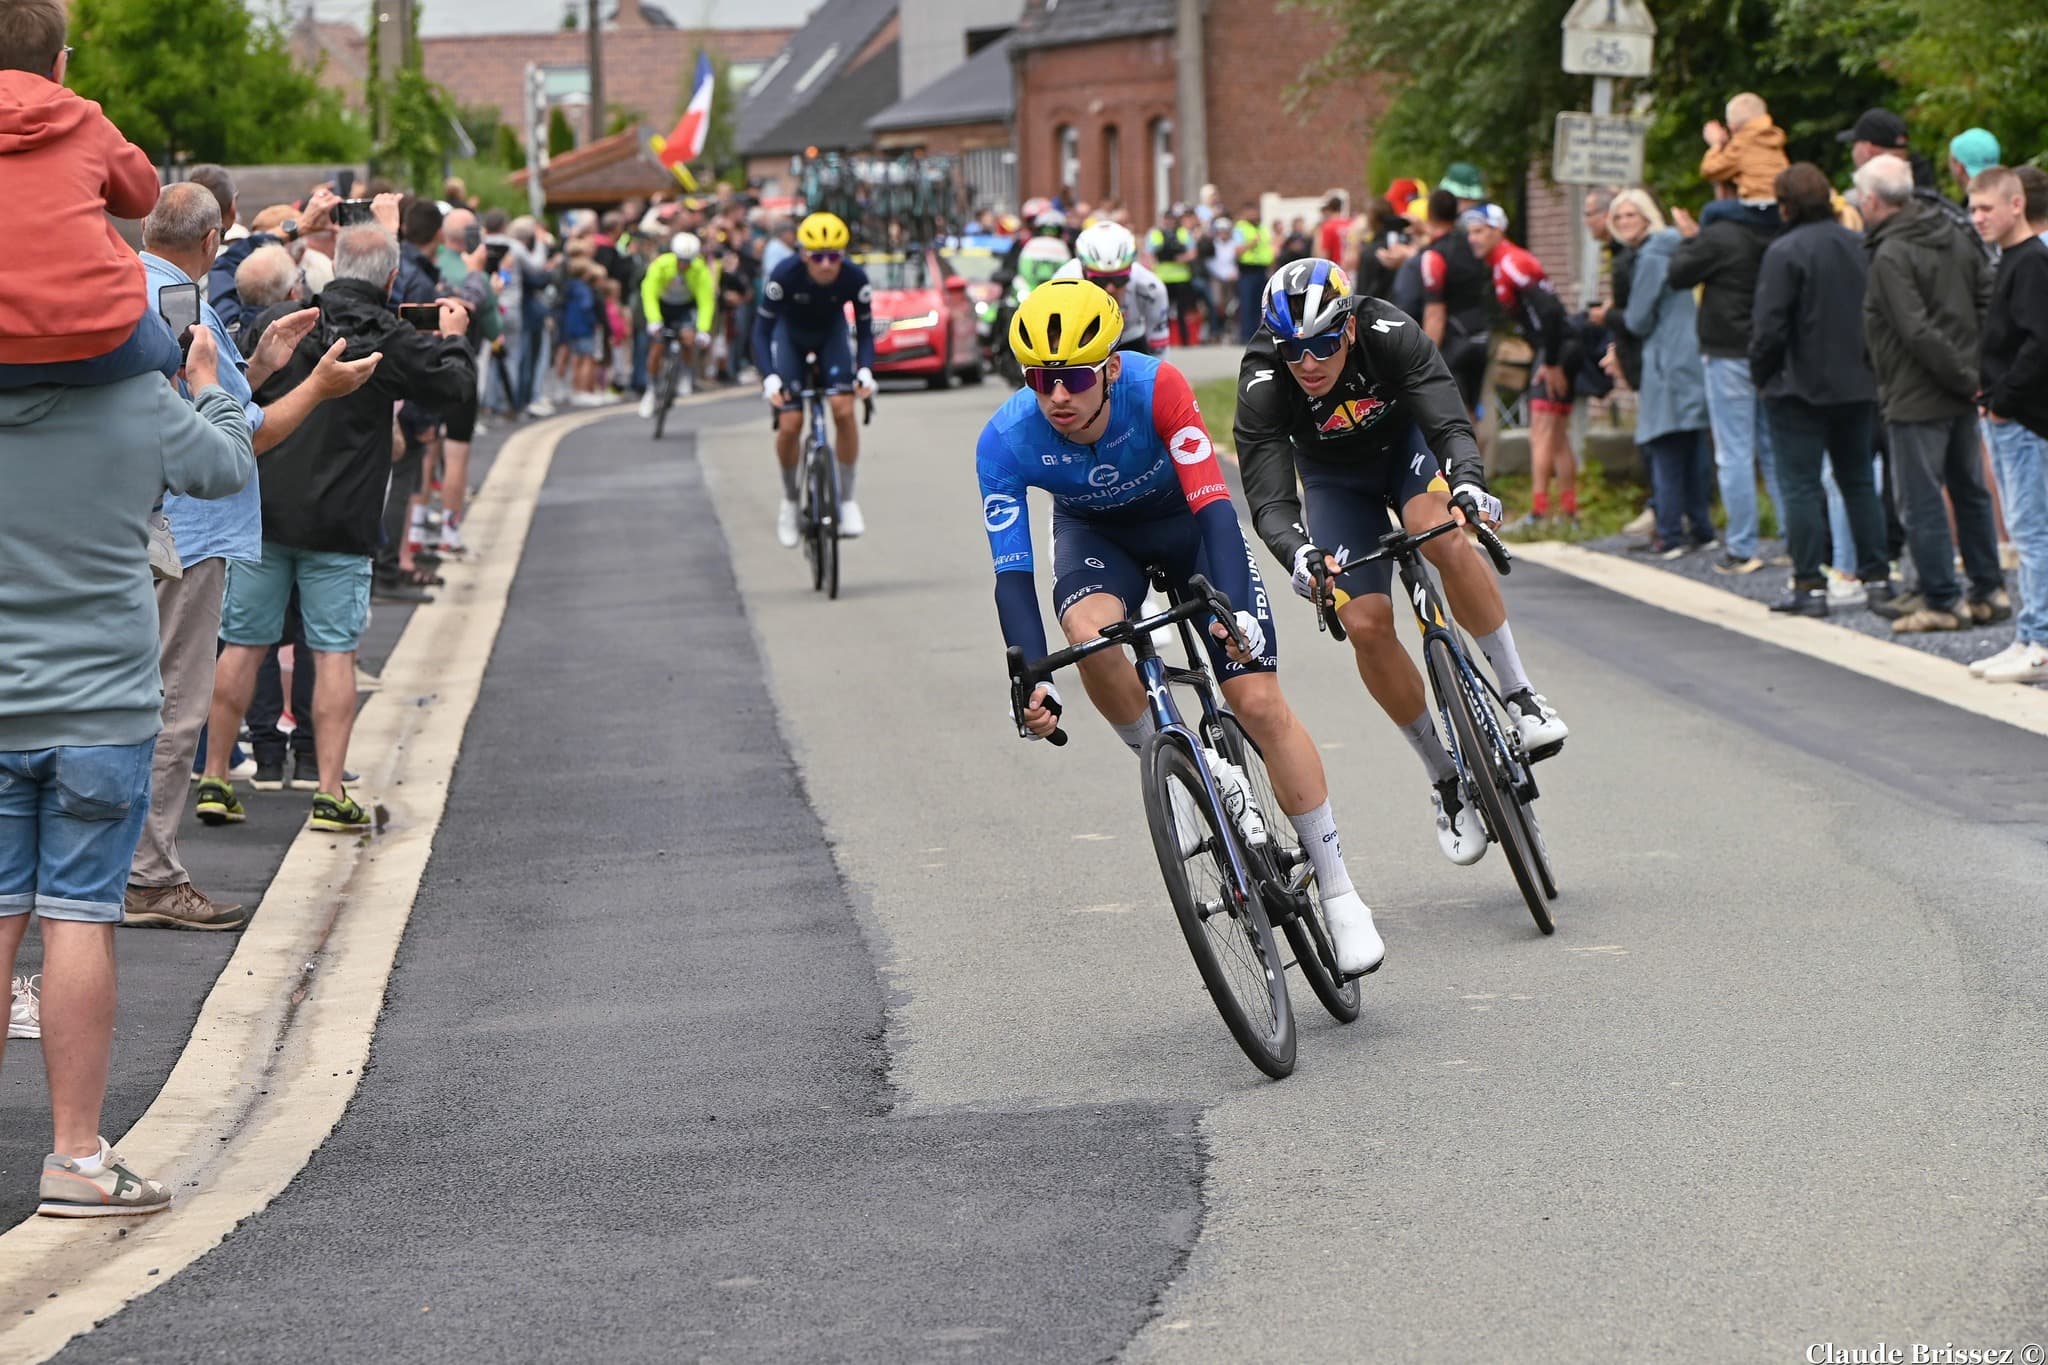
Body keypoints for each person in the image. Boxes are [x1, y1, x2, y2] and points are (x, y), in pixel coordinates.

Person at [979, 279, 1384, 976]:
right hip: (1098, 539)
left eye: (1075, 377)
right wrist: (1031, 676)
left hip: (1188, 525)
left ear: (1111, 367)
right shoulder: (1005, 440)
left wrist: (1231, 610)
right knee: (1089, 637)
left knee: (1256, 700)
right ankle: (1174, 764)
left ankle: (1339, 889)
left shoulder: (1157, 387)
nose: (1057, 396)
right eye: (1040, 379)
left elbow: (1217, 510)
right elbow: (1012, 572)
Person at [1, 292, 254, 1217]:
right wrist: (209, 384)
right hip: (102, 702)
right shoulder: (138, 400)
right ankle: (76, 1157)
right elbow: (225, 467)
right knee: (77, 916)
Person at [1234, 259, 1568, 866]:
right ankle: (1444, 776)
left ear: (1348, 329)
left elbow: (1447, 418)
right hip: (1335, 482)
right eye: (1292, 349)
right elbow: (1270, 498)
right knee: (1363, 622)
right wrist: (1300, 554)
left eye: (1322, 345)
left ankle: (1520, 694)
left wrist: (1468, 484)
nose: (1307, 363)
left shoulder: (1387, 329)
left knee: (1441, 533)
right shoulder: (1263, 377)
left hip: (1406, 454)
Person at [123, 184, 378, 929]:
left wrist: (259, 364)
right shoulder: (187, 307)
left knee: (130, 697)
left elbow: (209, 400)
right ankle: (149, 876)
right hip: (188, 531)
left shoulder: (128, 287)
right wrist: (319, 387)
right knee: (175, 704)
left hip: (138, 522)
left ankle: (120, 865)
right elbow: (241, 438)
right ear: (211, 243)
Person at [200, 223, 476, 833]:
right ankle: (328, 791)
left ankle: (215, 776)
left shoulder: (287, 321)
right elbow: (455, 389)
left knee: (242, 643)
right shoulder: (391, 337)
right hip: (343, 519)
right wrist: (455, 337)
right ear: (391, 278)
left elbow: (235, 380)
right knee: (333, 652)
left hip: (267, 511)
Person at [1852, 154, 2003, 634]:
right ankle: (1989, 589)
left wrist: (1960, 374)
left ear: (1872, 200)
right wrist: (1976, 370)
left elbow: (1913, 329)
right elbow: (1987, 297)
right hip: (1961, 388)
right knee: (1969, 490)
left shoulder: (1891, 253)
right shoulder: (1953, 231)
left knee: (1921, 500)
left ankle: (1942, 599)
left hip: (1917, 392)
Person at [0, 1, 180, 390]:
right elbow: (143, 196)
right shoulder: (83, 119)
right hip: (95, 338)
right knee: (170, 352)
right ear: (58, 64)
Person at [1750, 163, 1893, 618]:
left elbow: (1770, 327)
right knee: (1858, 481)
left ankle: (1810, 584)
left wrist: (1761, 374)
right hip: (1857, 382)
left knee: (1801, 486)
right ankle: (1878, 577)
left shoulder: (1783, 251)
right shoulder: (1859, 245)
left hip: (1797, 386)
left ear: (1785, 205)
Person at [1669, 181, 1784, 574]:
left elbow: (1678, 274)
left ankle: (1742, 546)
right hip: (1769, 351)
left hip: (1727, 351)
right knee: (1773, 448)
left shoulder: (1719, 235)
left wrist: (1689, 239)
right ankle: (1792, 539)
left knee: (1734, 450)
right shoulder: (1778, 228)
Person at [752, 211, 876, 546]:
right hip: (790, 338)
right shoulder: (784, 275)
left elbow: (865, 331)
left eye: (833, 256)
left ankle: (847, 500)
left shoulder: (854, 277)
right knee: (790, 423)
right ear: (803, 254)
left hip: (831, 337)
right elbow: (761, 333)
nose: (826, 265)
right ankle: (790, 501)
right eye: (817, 256)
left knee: (844, 410)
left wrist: (865, 369)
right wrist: (769, 378)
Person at [1968, 166, 2048, 683]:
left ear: (2016, 205)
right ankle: (2028, 633)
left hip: (2023, 419)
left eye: (1986, 208)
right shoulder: (2012, 259)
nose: (1978, 218)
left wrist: (2003, 401)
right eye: (1973, 209)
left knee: (2032, 530)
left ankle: (2040, 639)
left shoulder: (2032, 262)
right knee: (2025, 529)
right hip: (2006, 413)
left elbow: (2041, 341)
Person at [1609, 190, 1714, 558]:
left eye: (1630, 214)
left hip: (1665, 360)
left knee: (1664, 445)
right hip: (1689, 355)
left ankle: (1669, 533)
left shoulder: (1652, 255)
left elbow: (1637, 319)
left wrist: (1609, 315)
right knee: (1692, 445)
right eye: (1618, 216)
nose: (1624, 222)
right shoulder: (1676, 247)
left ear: (1647, 216)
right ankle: (1702, 528)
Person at [1462, 203, 1580, 529]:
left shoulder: (1512, 261)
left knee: (1540, 434)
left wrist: (1551, 362)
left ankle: (1539, 514)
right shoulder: (1502, 263)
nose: (1473, 239)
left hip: (1556, 348)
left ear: (1498, 230)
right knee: (1557, 436)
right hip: (1557, 346)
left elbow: (1551, 311)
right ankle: (1569, 513)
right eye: (1470, 232)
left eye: (1479, 231)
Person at [1416, 188, 1495, 414]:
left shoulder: (1434, 255)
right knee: (1472, 412)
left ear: (1430, 214)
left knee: (1454, 416)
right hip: (1480, 335)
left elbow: (1435, 312)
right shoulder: (1472, 245)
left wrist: (1427, 359)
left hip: (1455, 342)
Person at [1053, 221, 1170, 354]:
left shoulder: (1151, 288)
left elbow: (1159, 348)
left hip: (1130, 340)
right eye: (1099, 280)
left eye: (1119, 279)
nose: (1110, 288)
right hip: (1082, 341)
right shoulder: (1063, 284)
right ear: (1083, 270)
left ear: (1130, 269)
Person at [639, 231, 718, 416]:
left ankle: (684, 374)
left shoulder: (700, 270)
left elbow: (706, 301)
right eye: (681, 260)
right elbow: (649, 292)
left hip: (684, 307)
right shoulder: (661, 264)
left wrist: (703, 330)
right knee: (657, 346)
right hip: (663, 306)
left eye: (688, 261)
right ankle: (651, 388)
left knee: (688, 338)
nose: (684, 264)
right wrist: (654, 320)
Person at [1699, 92, 1789, 201]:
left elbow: (1709, 170)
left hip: (1758, 205)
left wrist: (1716, 144)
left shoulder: (1742, 143)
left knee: (1712, 209)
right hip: (1782, 202)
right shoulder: (1772, 137)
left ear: (1732, 127)